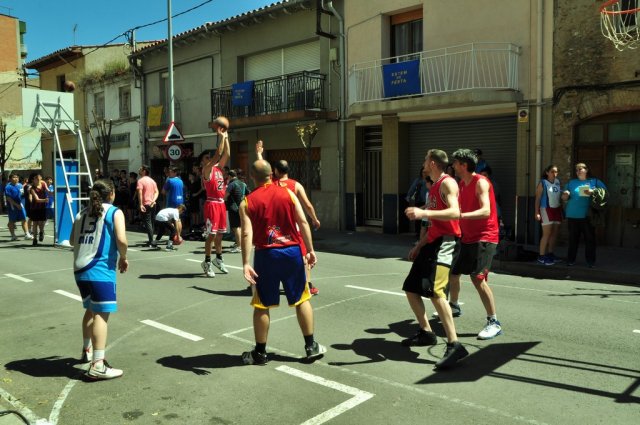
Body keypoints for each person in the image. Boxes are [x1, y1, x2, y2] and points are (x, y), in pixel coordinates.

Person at [239, 159, 326, 365]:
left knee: (262, 304)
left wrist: (245, 262)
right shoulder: (288, 193)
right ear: (272, 175)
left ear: (252, 177)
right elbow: (303, 221)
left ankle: (260, 353)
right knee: (302, 299)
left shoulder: (247, 201)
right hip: (292, 252)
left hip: (266, 255)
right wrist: (310, 250)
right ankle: (311, 346)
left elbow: (246, 233)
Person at [402, 149, 468, 370]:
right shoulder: (433, 188)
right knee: (411, 288)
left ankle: (454, 345)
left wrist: (424, 213)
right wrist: (419, 245)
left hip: (446, 243)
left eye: (424, 160)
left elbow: (455, 213)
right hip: (431, 243)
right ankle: (426, 332)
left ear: (431, 163)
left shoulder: (447, 183)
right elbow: (434, 223)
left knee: (437, 293)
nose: (422, 163)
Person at [70, 179, 128, 380]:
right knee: (101, 316)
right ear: (111, 193)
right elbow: (121, 240)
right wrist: (124, 257)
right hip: (100, 269)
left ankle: (87, 350)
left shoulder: (81, 213)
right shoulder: (114, 212)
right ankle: (98, 364)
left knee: (90, 309)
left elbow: (72, 240)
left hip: (80, 269)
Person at [448, 148, 502, 340]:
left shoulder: (481, 182)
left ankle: (493, 322)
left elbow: (486, 210)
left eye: (455, 163)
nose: (453, 166)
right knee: (453, 274)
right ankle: (454, 306)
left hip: (485, 236)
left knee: (478, 278)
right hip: (467, 236)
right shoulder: (462, 183)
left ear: (463, 165)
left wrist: (460, 215)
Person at [256, 140, 321, 295]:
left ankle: (270, 281)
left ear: (275, 171)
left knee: (274, 252)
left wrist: (259, 154)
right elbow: (308, 205)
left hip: (274, 226)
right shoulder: (296, 185)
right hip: (293, 226)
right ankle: (307, 284)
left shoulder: (271, 183)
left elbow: (262, 169)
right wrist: (314, 218)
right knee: (303, 254)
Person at [201, 117, 231, 277]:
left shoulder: (219, 168)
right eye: (207, 157)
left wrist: (227, 137)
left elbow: (227, 153)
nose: (209, 158)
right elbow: (218, 153)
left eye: (209, 157)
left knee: (220, 235)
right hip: (212, 204)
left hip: (221, 204)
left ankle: (218, 259)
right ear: (204, 161)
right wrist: (222, 137)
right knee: (211, 235)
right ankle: (206, 262)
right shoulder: (207, 169)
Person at [561, 163, 607, 267]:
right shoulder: (571, 182)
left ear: (586, 170)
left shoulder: (594, 181)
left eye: (580, 169)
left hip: (587, 216)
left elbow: (605, 193)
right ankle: (570, 260)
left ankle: (590, 262)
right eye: (576, 170)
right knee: (573, 240)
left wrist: (593, 191)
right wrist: (565, 195)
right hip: (572, 215)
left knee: (590, 240)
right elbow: (564, 198)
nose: (578, 171)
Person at [535, 165, 562, 265]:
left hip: (557, 209)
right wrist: (536, 212)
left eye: (556, 172)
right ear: (547, 172)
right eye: (552, 171)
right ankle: (541, 256)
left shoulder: (558, 182)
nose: (554, 174)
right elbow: (537, 198)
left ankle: (550, 254)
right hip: (546, 209)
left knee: (554, 233)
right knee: (547, 233)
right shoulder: (543, 182)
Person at [225, 169, 249, 253]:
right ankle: (243, 244)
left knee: (236, 227)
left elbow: (226, 196)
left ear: (230, 176)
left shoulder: (231, 184)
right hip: (243, 207)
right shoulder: (243, 183)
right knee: (242, 226)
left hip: (233, 208)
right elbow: (248, 194)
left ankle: (239, 246)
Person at [136, 165, 159, 247]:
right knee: (151, 222)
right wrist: (153, 200)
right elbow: (157, 192)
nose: (139, 170)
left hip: (146, 203)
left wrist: (140, 204)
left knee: (148, 222)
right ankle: (151, 240)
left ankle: (151, 241)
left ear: (144, 171)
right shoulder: (152, 181)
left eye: (141, 169)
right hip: (152, 204)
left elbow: (140, 193)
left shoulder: (140, 181)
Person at [4, 173, 31, 240]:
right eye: (14, 177)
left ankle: (27, 234)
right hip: (12, 206)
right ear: (10, 179)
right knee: (12, 221)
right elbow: (8, 198)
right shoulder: (8, 187)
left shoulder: (20, 185)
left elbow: (21, 195)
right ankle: (13, 236)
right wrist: (16, 205)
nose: (16, 178)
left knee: (24, 219)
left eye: (17, 177)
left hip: (20, 204)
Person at [29, 174, 49, 246]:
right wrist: (45, 200)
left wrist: (53, 192)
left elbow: (48, 191)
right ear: (33, 180)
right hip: (35, 208)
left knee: (41, 222)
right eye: (36, 178)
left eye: (39, 177)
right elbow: (37, 199)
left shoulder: (43, 183)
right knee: (35, 223)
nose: (38, 179)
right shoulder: (32, 189)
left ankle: (41, 232)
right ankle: (35, 239)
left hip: (42, 207)